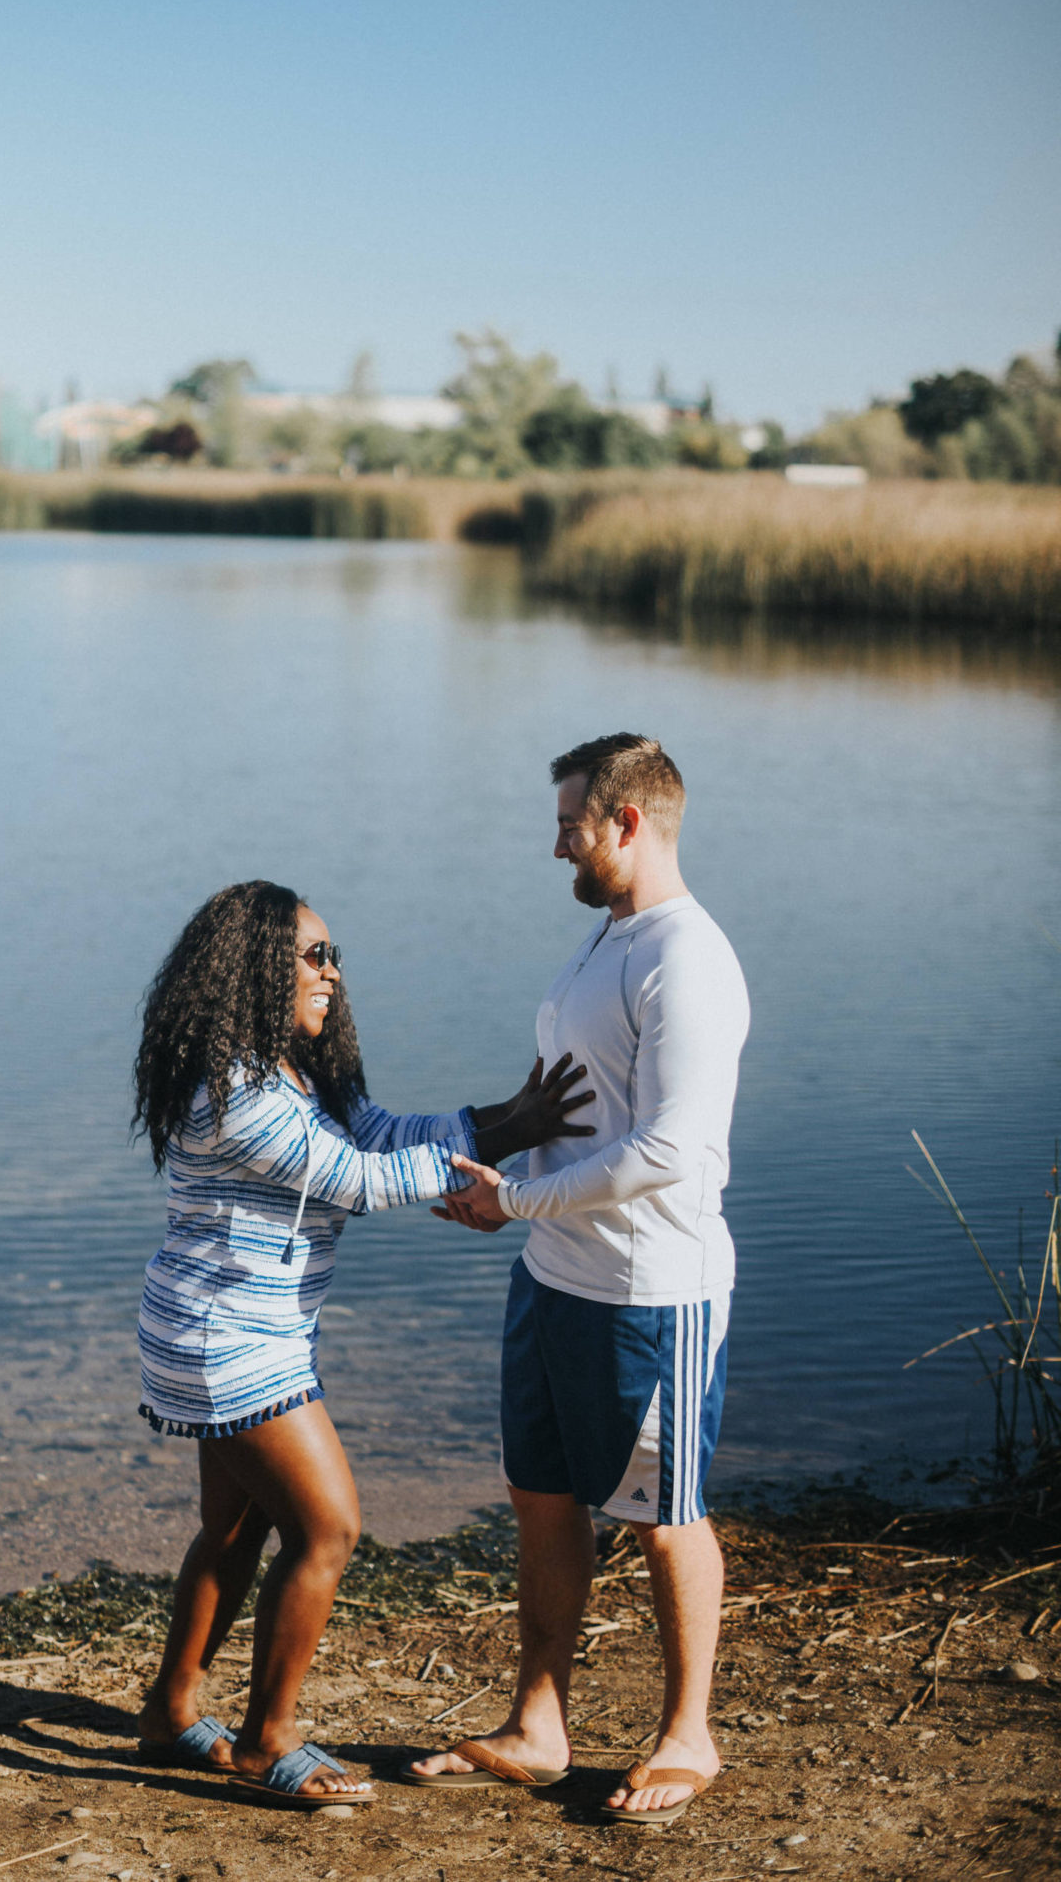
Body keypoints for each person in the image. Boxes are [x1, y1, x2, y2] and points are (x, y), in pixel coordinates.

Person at [130, 878, 593, 1810]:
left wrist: (506, 1120)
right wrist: (486, 1175)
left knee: (235, 1526)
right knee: (329, 1525)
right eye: (311, 954)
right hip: (230, 1337)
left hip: (231, 1327)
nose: (331, 973)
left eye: (334, 955)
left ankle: (172, 1710)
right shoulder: (234, 1091)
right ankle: (267, 1740)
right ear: (252, 966)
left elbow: (379, 1133)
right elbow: (349, 1177)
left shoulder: (296, 1075)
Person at [410, 734, 750, 1827]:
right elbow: (574, 1093)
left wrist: (511, 1203)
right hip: (555, 1276)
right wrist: (498, 1155)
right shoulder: (610, 939)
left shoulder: (686, 959)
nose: (556, 844)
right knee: (544, 1499)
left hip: (651, 1290)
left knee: (665, 1515)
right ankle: (539, 1723)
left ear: (627, 824)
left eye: (570, 824)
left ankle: (688, 1732)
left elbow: (670, 1153)